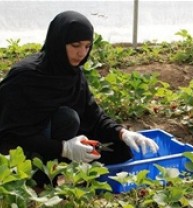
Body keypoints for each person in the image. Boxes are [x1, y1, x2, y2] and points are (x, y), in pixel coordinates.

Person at [0, 10, 158, 185]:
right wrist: (63, 148)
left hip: (58, 143)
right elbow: (11, 133)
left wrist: (122, 133)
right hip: (22, 149)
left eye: (87, 46)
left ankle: (67, 169)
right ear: (58, 42)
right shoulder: (25, 76)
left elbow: (94, 115)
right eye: (75, 45)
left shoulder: (74, 75)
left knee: (119, 149)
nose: (82, 53)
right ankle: (45, 175)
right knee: (67, 119)